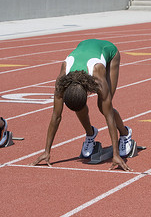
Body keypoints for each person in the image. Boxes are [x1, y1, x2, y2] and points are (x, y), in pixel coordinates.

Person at [31, 39, 133, 171]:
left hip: (109, 51)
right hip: (84, 46)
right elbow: (56, 116)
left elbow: (109, 116)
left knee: (103, 107)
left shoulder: (97, 74)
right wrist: (46, 151)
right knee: (78, 105)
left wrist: (116, 154)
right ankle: (90, 133)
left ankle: (125, 133)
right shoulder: (62, 79)